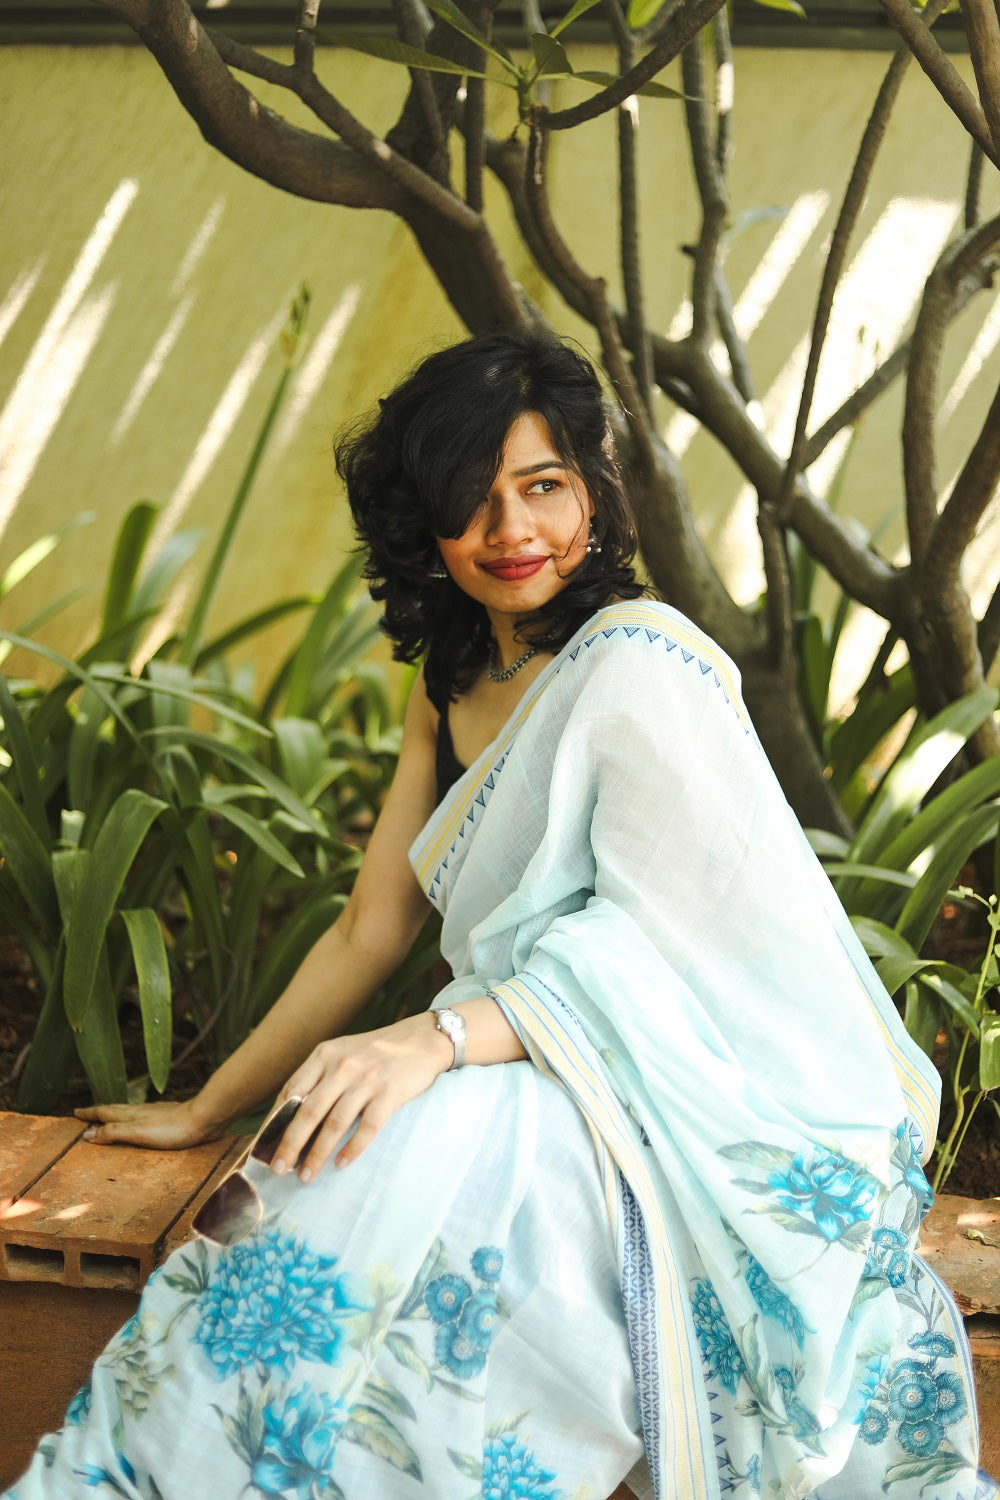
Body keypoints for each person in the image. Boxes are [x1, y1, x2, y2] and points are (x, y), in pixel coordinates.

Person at [5, 333, 995, 1500]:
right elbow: (367, 931)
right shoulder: (449, 683)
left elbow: (682, 948)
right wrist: (207, 1107)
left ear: (594, 490)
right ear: (417, 525)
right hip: (532, 1062)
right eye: (470, 502)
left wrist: (435, 1037)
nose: (511, 531)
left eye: (542, 488)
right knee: (361, 1148)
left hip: (703, 1093)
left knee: (408, 1141)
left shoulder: (637, 663)